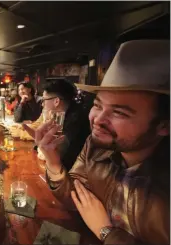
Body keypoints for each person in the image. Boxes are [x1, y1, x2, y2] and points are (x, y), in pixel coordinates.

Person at [35, 40, 169, 244]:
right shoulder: (97, 147)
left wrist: (105, 231)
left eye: (119, 112)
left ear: (164, 126)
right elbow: (75, 199)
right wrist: (53, 162)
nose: (97, 119)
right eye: (98, 105)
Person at [23, 79, 92, 170]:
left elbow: (62, 158)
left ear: (56, 101)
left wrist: (42, 147)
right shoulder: (63, 115)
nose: (42, 104)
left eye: (44, 100)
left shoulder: (75, 121)